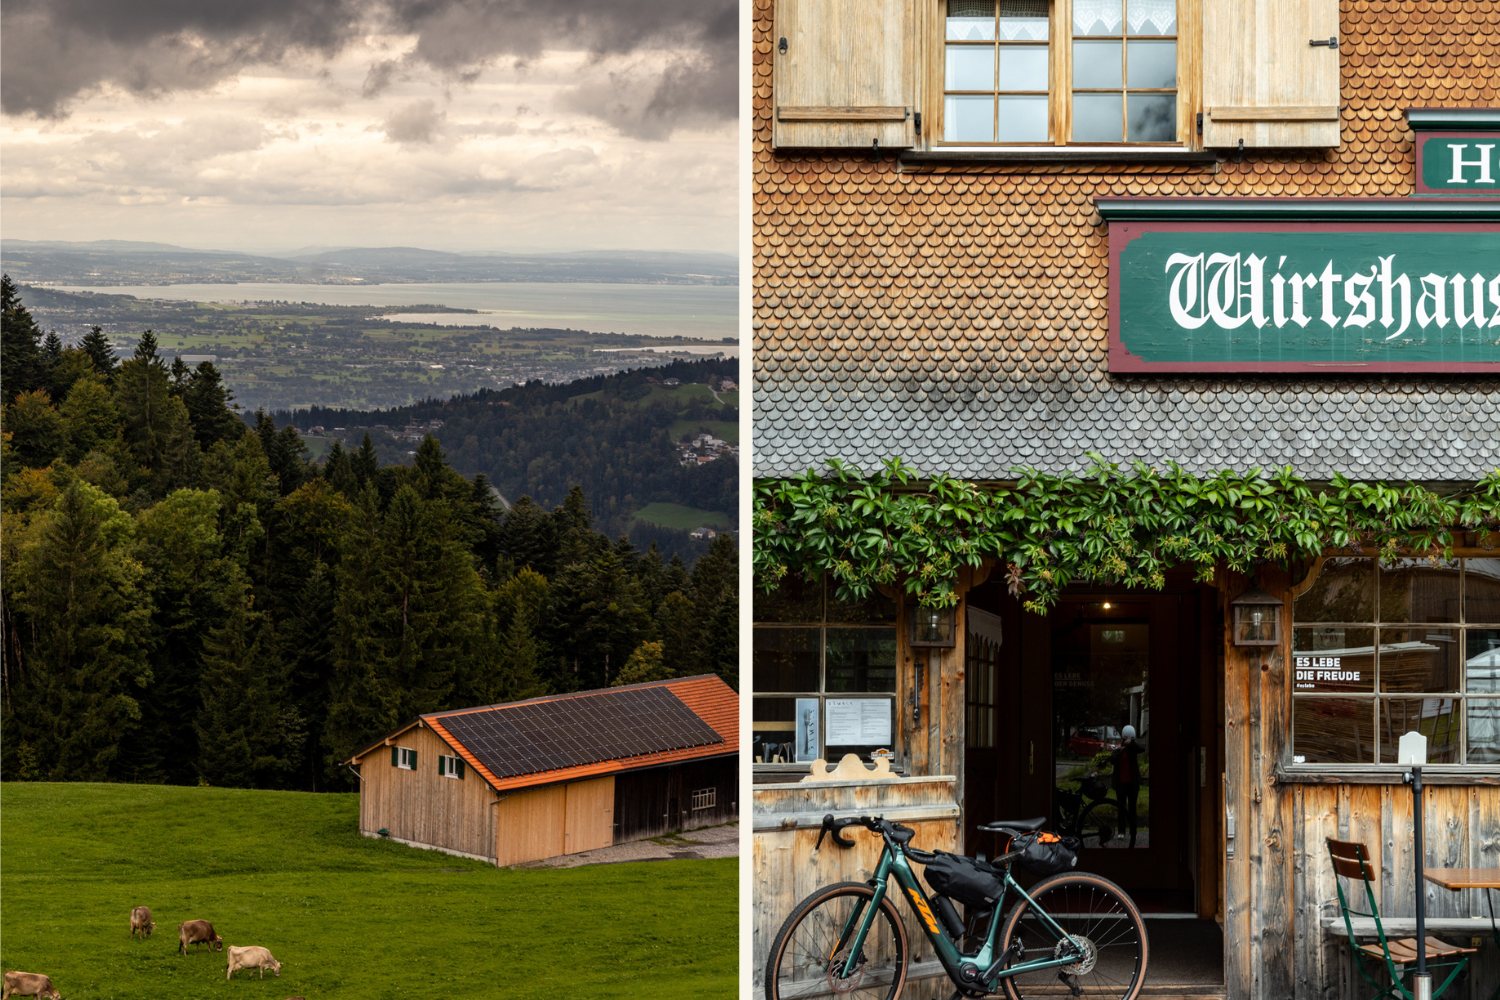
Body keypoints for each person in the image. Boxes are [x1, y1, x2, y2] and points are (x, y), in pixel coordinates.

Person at [1111, 725, 1145, 848]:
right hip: (1121, 783)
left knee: (1132, 808)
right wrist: (1120, 751)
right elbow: (1112, 759)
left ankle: (1133, 831)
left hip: (1132, 784)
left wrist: (1132, 744)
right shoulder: (1118, 750)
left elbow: (1142, 748)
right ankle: (1121, 831)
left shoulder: (1133, 750)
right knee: (1121, 807)